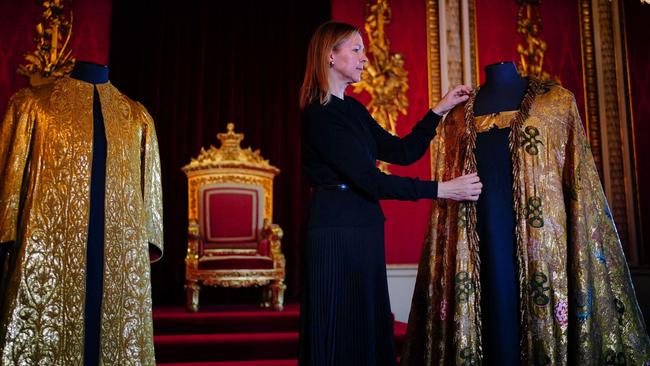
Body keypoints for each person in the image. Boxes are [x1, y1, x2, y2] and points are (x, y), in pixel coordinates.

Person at [401, 61, 650, 365]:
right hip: (477, 233)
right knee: (492, 313)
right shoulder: (457, 115)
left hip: (542, 240)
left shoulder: (556, 101)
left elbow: (576, 177)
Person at [298, 21, 482, 366]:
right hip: (335, 231)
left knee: (366, 323)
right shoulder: (319, 116)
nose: (364, 58)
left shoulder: (353, 109)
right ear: (330, 56)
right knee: (339, 326)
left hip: (364, 225)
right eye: (356, 49)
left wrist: (437, 111)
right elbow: (373, 181)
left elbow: (402, 152)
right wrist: (444, 190)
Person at [0, 61, 163, 365]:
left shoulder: (137, 117)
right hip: (46, 254)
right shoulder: (32, 105)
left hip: (117, 259)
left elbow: (149, 208)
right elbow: (8, 188)